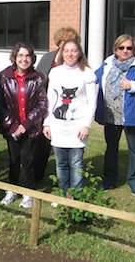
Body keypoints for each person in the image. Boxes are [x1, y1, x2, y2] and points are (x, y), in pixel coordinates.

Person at [95, 34, 135, 196]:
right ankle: (109, 181)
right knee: (111, 149)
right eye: (122, 48)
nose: (125, 51)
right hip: (111, 116)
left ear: (134, 50)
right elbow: (92, 78)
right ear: (115, 49)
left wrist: (133, 85)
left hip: (131, 116)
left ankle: (134, 182)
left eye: (129, 48)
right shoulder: (107, 65)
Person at [42, 40, 97, 196]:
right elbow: (50, 99)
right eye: (66, 50)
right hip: (58, 125)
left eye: (73, 50)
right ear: (62, 53)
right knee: (61, 164)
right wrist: (47, 123)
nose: (70, 54)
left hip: (77, 126)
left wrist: (86, 125)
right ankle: (63, 194)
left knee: (76, 163)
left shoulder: (87, 73)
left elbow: (92, 102)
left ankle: (76, 196)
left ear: (79, 53)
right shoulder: (55, 72)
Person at [0, 43, 48, 208]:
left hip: (30, 128)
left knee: (28, 160)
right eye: (20, 55)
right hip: (11, 127)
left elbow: (42, 104)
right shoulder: (3, 77)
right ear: (14, 57)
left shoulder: (39, 78)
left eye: (27, 56)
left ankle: (28, 192)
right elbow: (0, 104)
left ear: (32, 58)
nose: (24, 59)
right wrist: (12, 125)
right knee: (13, 159)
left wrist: (25, 125)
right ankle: (11, 189)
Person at [34, 27, 82, 181]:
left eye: (69, 43)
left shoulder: (78, 61)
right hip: (46, 106)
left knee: (69, 147)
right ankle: (38, 175)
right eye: (62, 43)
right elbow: (38, 81)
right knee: (42, 145)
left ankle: (69, 179)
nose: (65, 48)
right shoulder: (48, 57)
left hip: (69, 110)